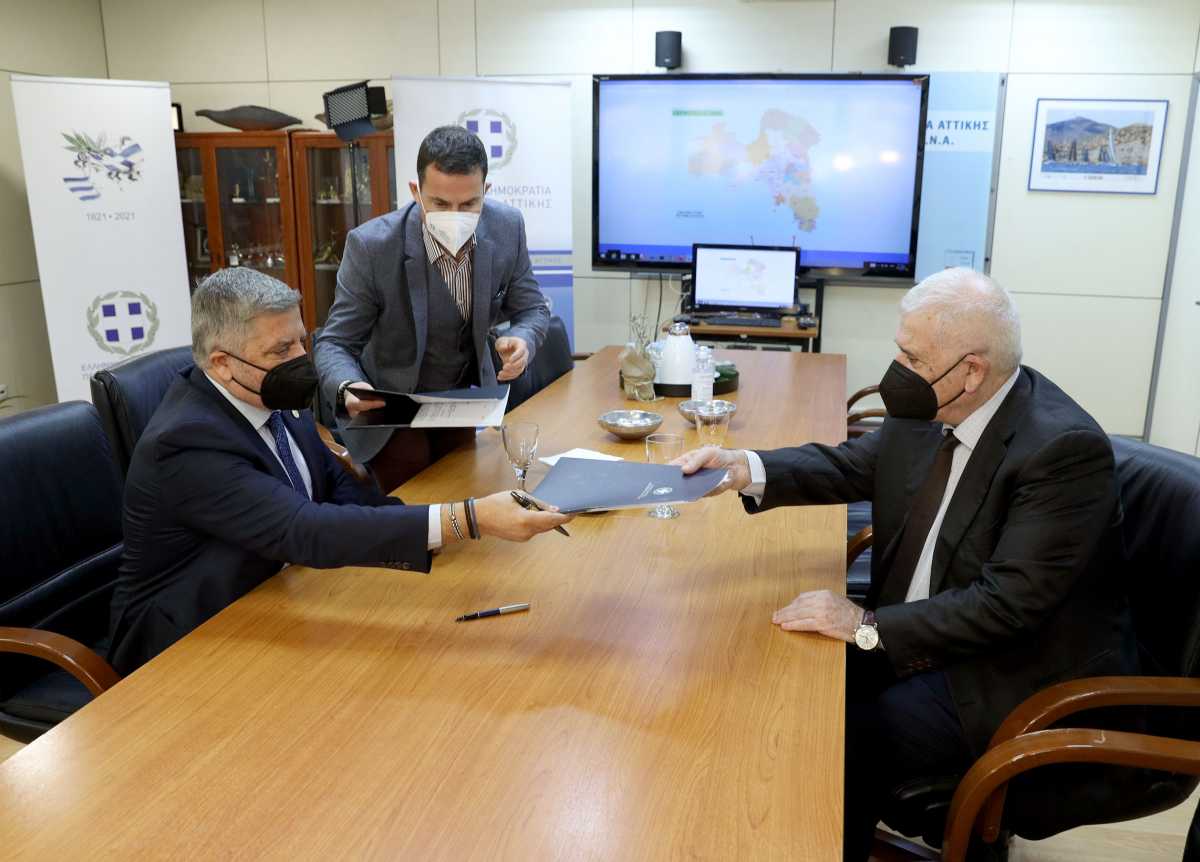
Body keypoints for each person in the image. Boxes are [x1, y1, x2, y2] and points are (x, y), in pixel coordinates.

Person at [674, 268, 1137, 861]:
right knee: (772, 676)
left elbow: (1005, 607)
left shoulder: (1061, 453)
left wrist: (865, 625)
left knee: (833, 735)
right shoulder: (931, 408)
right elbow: (848, 465)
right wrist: (744, 467)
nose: (898, 368)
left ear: (972, 371)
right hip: (919, 631)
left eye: (912, 357)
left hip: (1002, 675)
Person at [107, 268, 570, 676]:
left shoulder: (268, 396)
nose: (300, 358)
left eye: (301, 340)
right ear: (222, 364)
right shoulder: (186, 442)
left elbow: (339, 489)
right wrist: (467, 518)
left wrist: (440, 534)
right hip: (189, 642)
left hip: (278, 597)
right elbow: (303, 528)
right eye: (281, 349)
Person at [314, 124, 550, 492]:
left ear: (485, 191)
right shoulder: (372, 247)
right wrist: (347, 386)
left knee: (466, 494)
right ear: (416, 192)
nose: (454, 215)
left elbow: (533, 308)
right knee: (418, 504)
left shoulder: (507, 228)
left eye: (468, 204)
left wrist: (523, 340)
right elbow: (334, 343)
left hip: (461, 403)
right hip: (388, 411)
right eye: (439, 204)